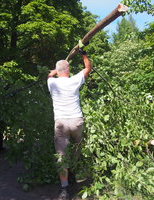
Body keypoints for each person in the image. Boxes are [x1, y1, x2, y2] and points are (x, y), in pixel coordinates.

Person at [47, 43, 92, 200]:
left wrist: (52, 72)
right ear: (68, 70)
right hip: (76, 121)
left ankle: (65, 189)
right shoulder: (75, 80)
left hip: (61, 123)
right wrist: (83, 53)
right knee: (79, 145)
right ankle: (78, 167)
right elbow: (87, 68)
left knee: (61, 155)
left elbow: (49, 76)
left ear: (58, 71)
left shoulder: (51, 82)